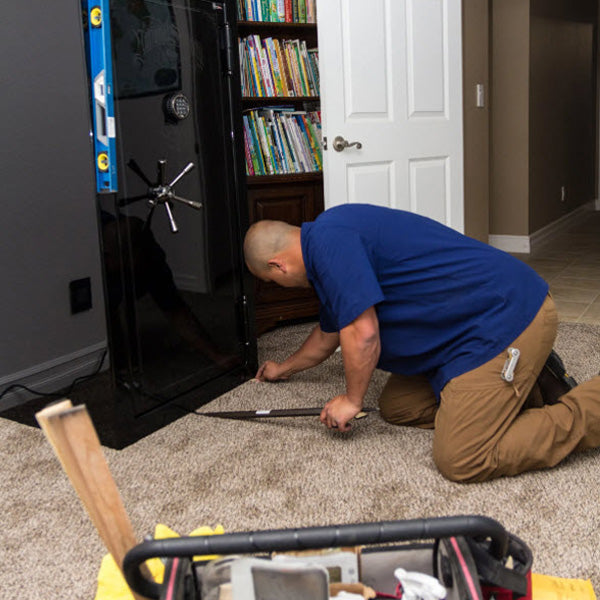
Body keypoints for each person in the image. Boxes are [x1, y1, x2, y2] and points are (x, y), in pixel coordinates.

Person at [243, 204, 600, 483]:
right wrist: (282, 368)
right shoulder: (331, 240)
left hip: (504, 318)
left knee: (462, 457)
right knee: (398, 406)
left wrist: (351, 400)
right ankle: (523, 388)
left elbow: (363, 333)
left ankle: (589, 407)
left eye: (272, 281)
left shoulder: (329, 245)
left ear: (278, 267)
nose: (281, 286)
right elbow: (327, 337)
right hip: (457, 339)